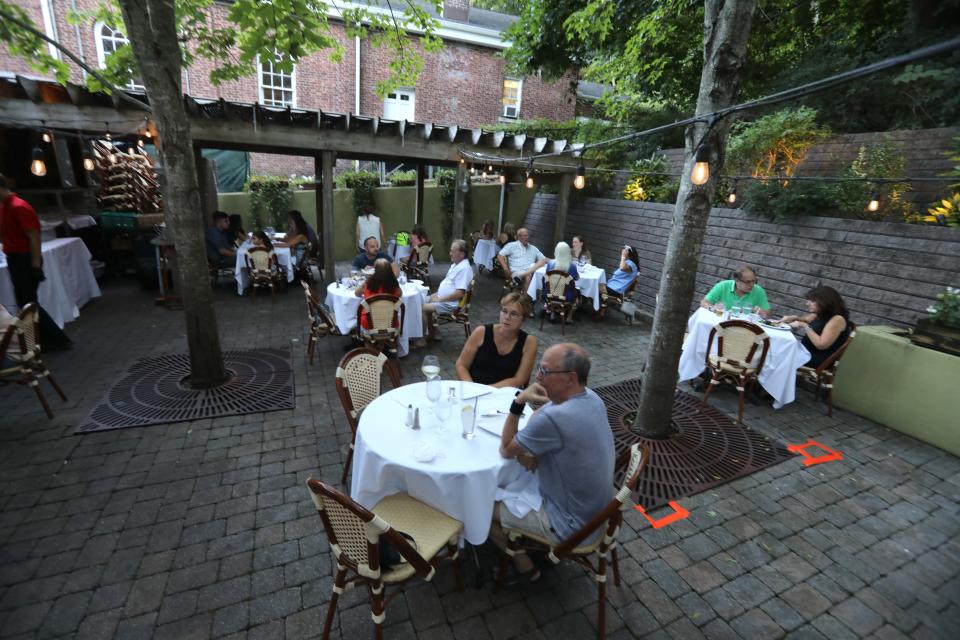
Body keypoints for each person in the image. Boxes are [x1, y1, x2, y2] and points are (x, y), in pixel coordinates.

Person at [488, 343, 615, 583]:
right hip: (596, 514)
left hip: (571, 526)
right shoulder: (592, 398)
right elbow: (545, 415)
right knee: (525, 467)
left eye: (545, 371)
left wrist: (518, 402)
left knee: (480, 510)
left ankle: (525, 569)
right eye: (539, 368)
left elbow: (505, 450)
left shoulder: (556, 417)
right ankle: (534, 550)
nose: (537, 376)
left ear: (570, 378)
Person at [0, 174, 71, 349]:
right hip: (15, 258)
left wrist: (35, 264)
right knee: (26, 302)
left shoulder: (19, 207)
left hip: (24, 258)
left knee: (27, 303)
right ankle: (44, 340)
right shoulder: (5, 208)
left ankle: (54, 340)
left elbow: (34, 237)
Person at [455, 291, 537, 388]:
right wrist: (472, 388)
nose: (506, 317)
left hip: (504, 394)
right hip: (474, 389)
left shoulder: (529, 342)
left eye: (514, 314)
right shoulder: (481, 332)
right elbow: (461, 365)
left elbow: (519, 379)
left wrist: (489, 391)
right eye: (504, 311)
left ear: (523, 319)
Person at [412, 239, 473, 347]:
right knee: (420, 299)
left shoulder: (464, 269)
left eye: (453, 251)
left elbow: (460, 293)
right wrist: (437, 294)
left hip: (452, 304)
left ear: (462, 254)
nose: (450, 253)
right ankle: (433, 332)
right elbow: (450, 285)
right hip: (446, 299)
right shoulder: (456, 265)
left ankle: (422, 339)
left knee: (422, 307)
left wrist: (440, 299)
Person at [781, 285, 852, 368]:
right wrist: (794, 318)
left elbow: (821, 344)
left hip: (816, 358)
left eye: (812, 301)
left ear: (824, 302)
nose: (807, 303)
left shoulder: (837, 320)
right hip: (804, 352)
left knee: (779, 352)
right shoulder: (821, 314)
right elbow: (805, 320)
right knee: (779, 348)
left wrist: (805, 326)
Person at [699, 266, 770, 317]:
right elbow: (704, 302)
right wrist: (714, 309)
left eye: (754, 281)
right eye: (748, 282)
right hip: (720, 323)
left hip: (745, 328)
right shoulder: (723, 286)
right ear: (737, 281)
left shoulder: (758, 290)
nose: (752, 285)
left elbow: (767, 313)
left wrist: (759, 311)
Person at [497, 227, 547, 296]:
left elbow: (544, 258)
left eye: (527, 235)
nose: (527, 237)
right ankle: (525, 300)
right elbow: (500, 256)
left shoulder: (533, 248)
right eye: (525, 236)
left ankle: (527, 298)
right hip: (516, 272)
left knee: (542, 261)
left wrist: (555, 261)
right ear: (519, 237)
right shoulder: (511, 246)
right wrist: (506, 269)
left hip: (530, 272)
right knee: (528, 276)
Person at [354, 258, 401, 330]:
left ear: (374, 271)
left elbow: (357, 293)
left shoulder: (368, 283)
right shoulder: (394, 284)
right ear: (390, 270)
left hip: (369, 324)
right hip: (391, 325)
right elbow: (400, 294)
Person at [543, 241, 579, 323]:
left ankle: (552, 314)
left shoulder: (550, 263)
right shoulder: (572, 266)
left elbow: (547, 275)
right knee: (577, 294)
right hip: (566, 295)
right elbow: (576, 278)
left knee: (554, 289)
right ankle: (569, 317)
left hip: (550, 293)